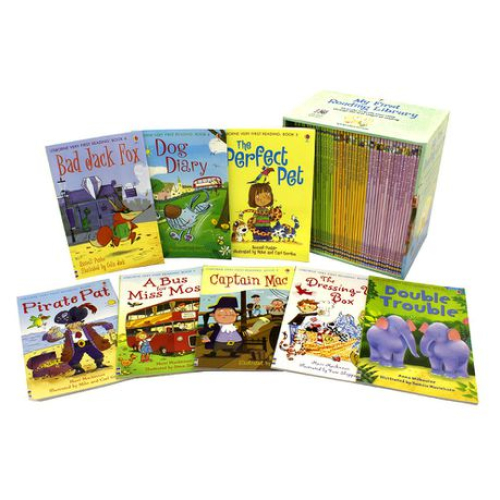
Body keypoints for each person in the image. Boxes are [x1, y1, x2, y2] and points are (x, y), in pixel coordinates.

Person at [55, 303, 113, 375]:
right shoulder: (68, 333)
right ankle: (78, 369)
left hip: (89, 344)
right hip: (76, 347)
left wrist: (109, 327)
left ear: (80, 322)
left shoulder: (86, 327)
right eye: (71, 325)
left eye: (75, 324)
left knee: (97, 354)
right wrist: (51, 335)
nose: (74, 327)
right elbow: (58, 337)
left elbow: (99, 323)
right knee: (73, 360)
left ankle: (100, 364)